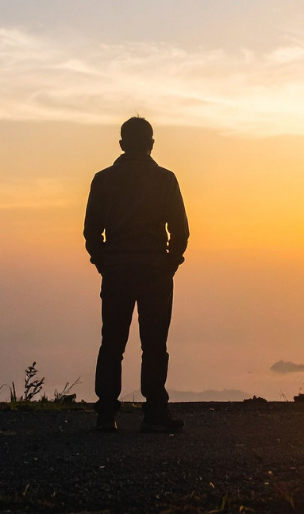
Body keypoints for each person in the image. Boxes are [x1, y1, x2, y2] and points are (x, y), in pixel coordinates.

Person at [83, 116, 189, 433]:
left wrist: (105, 262)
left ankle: (106, 415)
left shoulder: (103, 180)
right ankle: (155, 412)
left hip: (117, 271)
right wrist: (169, 262)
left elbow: (91, 232)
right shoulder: (165, 179)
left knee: (112, 343)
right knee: (155, 344)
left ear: (121, 145)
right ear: (151, 144)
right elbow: (180, 231)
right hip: (155, 271)